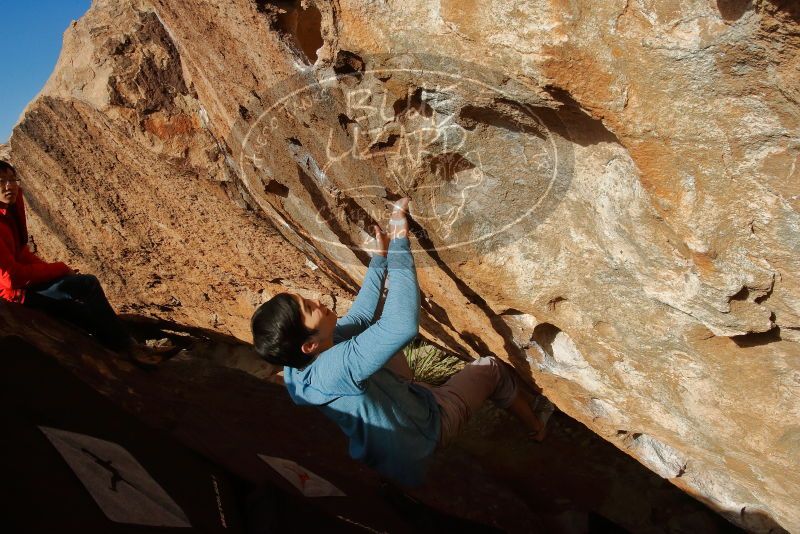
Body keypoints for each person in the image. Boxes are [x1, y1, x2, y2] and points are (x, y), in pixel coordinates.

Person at [251, 197, 550, 487]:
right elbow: (402, 326)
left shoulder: (298, 362)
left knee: (377, 316)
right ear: (309, 345)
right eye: (308, 308)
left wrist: (380, 263)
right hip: (426, 430)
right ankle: (536, 428)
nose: (316, 300)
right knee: (492, 369)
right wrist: (399, 242)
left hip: (392, 437)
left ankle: (414, 402)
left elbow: (361, 318)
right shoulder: (334, 368)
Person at [0, 160, 164, 363]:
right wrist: (59, 269)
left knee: (83, 313)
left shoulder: (7, 213)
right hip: (16, 294)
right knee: (87, 285)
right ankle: (129, 349)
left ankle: (125, 350)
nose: (9, 186)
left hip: (22, 287)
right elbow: (10, 278)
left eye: (12, 179)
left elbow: (21, 253)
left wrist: (56, 270)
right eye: (1, 181)